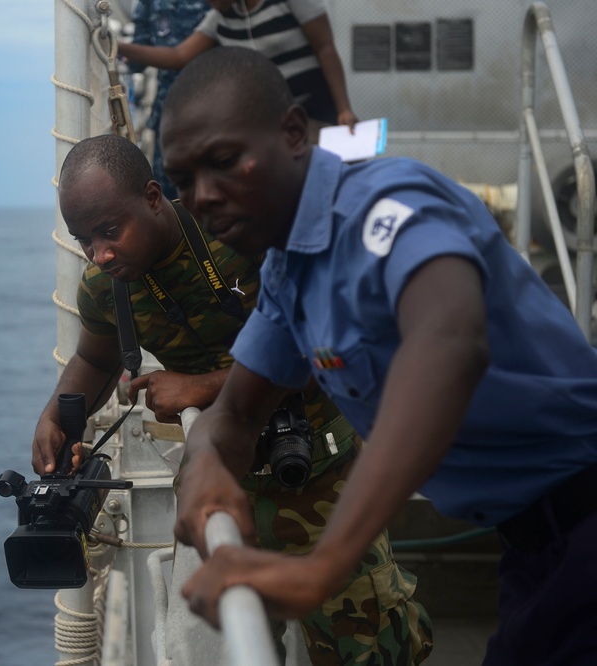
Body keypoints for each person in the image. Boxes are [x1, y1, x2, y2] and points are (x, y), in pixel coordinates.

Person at [159, 46, 597, 665]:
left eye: (225, 161)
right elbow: (233, 415)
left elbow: (449, 343)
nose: (202, 196)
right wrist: (203, 463)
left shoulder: (388, 206)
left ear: (292, 132)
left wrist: (321, 567)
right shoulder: (291, 272)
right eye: (183, 181)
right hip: (533, 542)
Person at [33, 133, 433, 664]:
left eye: (110, 231)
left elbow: (329, 345)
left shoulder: (241, 238)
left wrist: (201, 387)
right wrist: (58, 415)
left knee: (368, 640)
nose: (100, 254)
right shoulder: (106, 287)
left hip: (319, 473)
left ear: (153, 197)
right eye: (84, 240)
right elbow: (96, 359)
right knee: (230, 645)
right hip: (219, 486)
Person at [118, 0, 358, 139]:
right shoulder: (219, 18)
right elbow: (179, 56)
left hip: (317, 114)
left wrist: (344, 109)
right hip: (272, 123)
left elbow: (325, 48)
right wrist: (118, 46)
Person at [126, 1, 209, 200]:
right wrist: (115, 48)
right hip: (169, 114)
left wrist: (121, 48)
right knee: (172, 196)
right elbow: (138, 61)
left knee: (212, 185)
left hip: (212, 110)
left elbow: (181, 56)